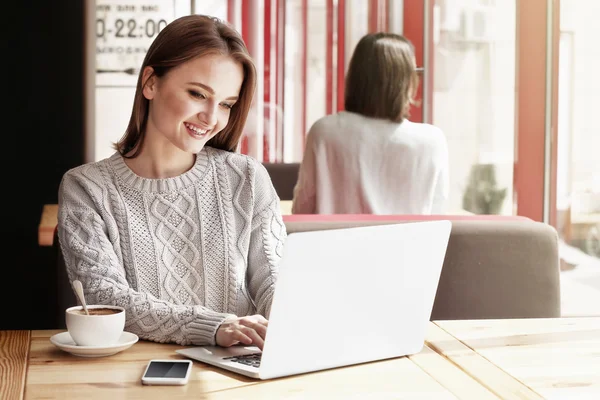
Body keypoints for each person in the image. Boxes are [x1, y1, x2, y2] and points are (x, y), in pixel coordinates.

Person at [57, 15, 286, 350]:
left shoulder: (247, 178)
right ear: (150, 83)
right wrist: (214, 326)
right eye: (197, 94)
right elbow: (106, 298)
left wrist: (287, 318)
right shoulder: (86, 187)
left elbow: (273, 280)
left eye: (226, 104)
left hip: (239, 370)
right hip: (136, 374)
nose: (212, 118)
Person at [291, 32, 449, 215]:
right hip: (409, 244)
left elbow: (302, 209)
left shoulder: (324, 132)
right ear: (405, 82)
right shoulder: (432, 141)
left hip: (334, 243)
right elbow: (438, 217)